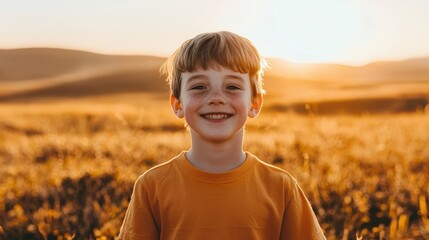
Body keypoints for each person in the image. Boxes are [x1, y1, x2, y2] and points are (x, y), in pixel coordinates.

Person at [119, 31, 326, 240]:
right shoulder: (151, 187)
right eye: (199, 86)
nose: (216, 98)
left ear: (254, 104)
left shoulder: (281, 189)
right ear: (177, 104)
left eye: (232, 87)